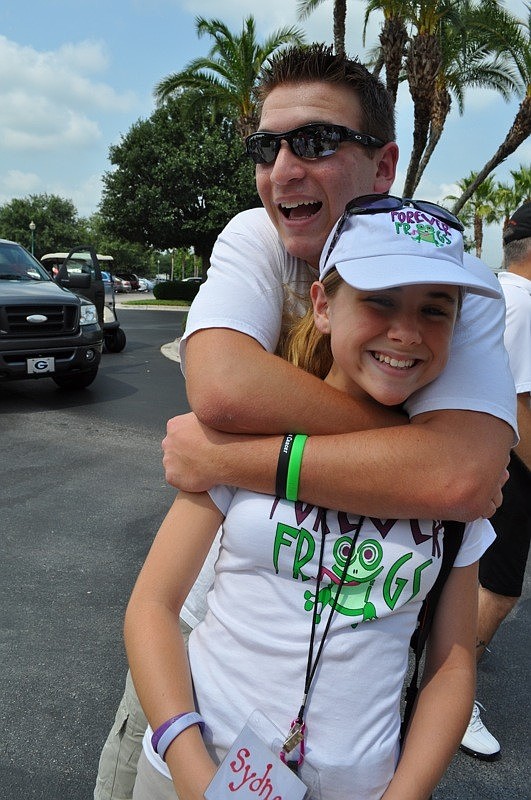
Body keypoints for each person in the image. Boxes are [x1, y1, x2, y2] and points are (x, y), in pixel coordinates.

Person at [94, 44, 515, 800]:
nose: (283, 167)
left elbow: (459, 479)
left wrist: (232, 459)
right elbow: (220, 390)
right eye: (265, 145)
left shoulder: (457, 276)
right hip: (199, 664)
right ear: (321, 304)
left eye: (316, 141)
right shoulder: (254, 236)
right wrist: (412, 453)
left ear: (383, 165)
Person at [460, 201, 531, 761]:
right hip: (509, 468)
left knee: (467, 579)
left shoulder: (494, 292)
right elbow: (521, 408)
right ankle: (457, 699)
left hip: (476, 459)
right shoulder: (525, 303)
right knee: (499, 592)